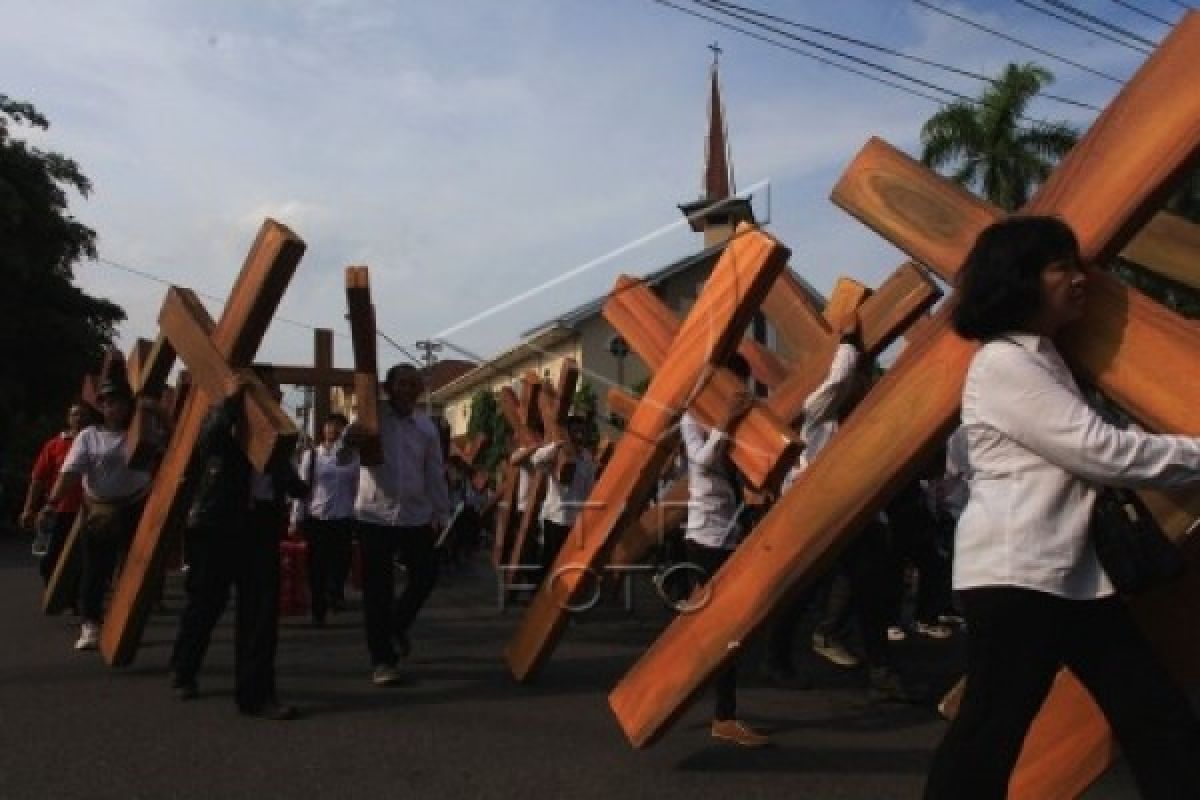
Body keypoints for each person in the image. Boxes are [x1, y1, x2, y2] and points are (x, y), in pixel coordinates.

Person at [924, 216, 1200, 799]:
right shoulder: (1005, 363)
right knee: (989, 735)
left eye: (1079, 266)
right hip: (1019, 577)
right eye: (1061, 267)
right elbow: (1102, 452)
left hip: (1069, 577)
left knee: (1157, 720)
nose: (1080, 280)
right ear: (1020, 279)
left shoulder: (1047, 362)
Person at [168, 377, 307, 720]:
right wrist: (231, 403)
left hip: (260, 528)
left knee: (261, 613)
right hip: (217, 524)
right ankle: (185, 668)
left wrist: (300, 486)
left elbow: (288, 479)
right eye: (267, 396)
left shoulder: (277, 441)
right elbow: (207, 442)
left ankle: (257, 694)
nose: (274, 403)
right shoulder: (225, 422)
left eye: (277, 397)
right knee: (206, 603)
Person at [679, 353, 766, 747]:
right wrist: (727, 420)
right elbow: (702, 460)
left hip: (730, 535)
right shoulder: (691, 418)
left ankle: (721, 711)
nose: (740, 393)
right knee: (712, 630)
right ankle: (721, 714)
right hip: (703, 540)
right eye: (735, 383)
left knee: (727, 631)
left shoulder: (738, 423)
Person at [346, 364, 450, 687]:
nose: (407, 389)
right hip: (375, 514)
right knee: (378, 589)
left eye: (413, 384)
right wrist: (348, 442)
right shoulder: (370, 419)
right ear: (388, 388)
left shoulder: (426, 427)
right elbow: (342, 462)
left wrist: (442, 513)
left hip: (414, 515)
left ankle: (395, 626)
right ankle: (382, 660)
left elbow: (434, 472)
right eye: (401, 384)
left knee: (426, 574)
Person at [41, 375, 152, 650]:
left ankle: (126, 623)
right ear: (101, 407)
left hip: (136, 506)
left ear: (129, 405)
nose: (113, 407)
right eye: (107, 402)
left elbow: (175, 446)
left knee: (135, 569)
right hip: (100, 509)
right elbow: (69, 474)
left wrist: (156, 411)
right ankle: (90, 624)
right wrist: (50, 504)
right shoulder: (89, 437)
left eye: (119, 402)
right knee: (96, 568)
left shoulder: (143, 431)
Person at [294, 412, 359, 625]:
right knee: (317, 567)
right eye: (329, 425)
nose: (333, 429)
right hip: (317, 518)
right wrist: (296, 518)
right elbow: (301, 488)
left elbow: (360, 487)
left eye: (339, 426)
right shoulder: (311, 456)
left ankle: (335, 593)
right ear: (323, 429)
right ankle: (318, 610)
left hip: (344, 518)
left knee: (341, 562)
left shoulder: (354, 458)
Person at [20, 403, 88, 585]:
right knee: (48, 558)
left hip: (85, 511)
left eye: (83, 415)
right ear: (68, 419)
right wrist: (28, 509)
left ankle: (74, 598)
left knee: (80, 559)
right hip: (56, 511)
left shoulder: (94, 443)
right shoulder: (54, 445)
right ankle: (53, 589)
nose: (79, 419)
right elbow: (38, 479)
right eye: (75, 415)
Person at [531, 416, 596, 586]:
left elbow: (589, 488)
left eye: (582, 431)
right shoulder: (557, 453)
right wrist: (556, 445)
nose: (579, 435)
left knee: (568, 562)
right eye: (575, 431)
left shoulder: (587, 457)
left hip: (575, 520)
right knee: (550, 560)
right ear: (568, 433)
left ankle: (559, 595)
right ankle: (540, 596)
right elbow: (536, 460)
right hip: (556, 517)